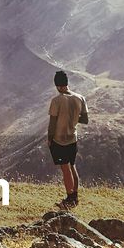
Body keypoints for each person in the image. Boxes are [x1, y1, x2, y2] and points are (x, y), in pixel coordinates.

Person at [47, 70, 88, 208]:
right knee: (72, 166)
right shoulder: (80, 98)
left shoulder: (56, 101)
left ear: (57, 85)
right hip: (73, 139)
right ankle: (75, 196)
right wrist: (73, 118)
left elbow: (52, 122)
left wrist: (49, 139)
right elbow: (85, 119)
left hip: (60, 140)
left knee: (65, 170)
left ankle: (70, 199)